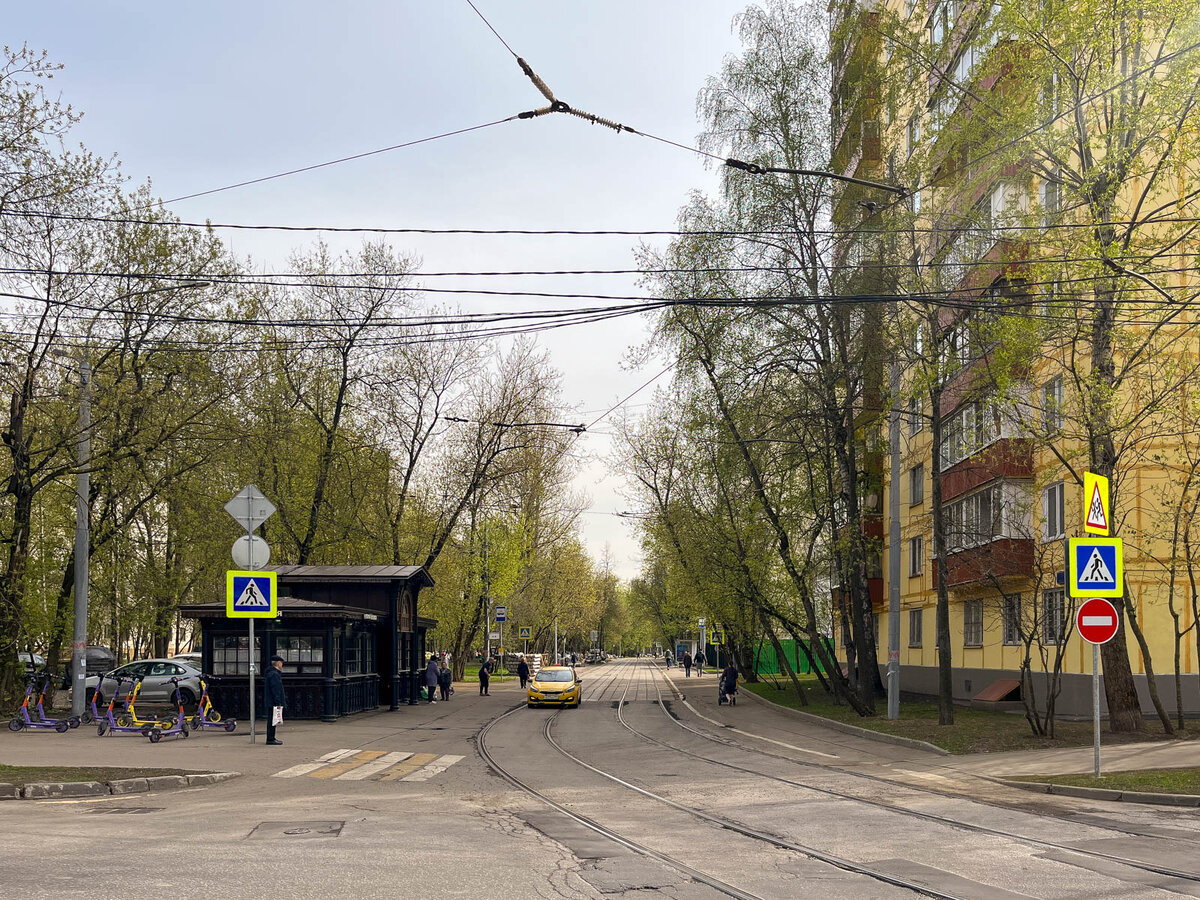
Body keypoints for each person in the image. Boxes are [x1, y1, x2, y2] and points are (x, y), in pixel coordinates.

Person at [265, 655, 285, 745]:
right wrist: (278, 703)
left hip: (270, 700)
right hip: (273, 701)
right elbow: (276, 690)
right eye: (281, 663)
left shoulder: (270, 673)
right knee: (273, 721)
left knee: (272, 720)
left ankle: (271, 737)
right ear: (278, 663)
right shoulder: (275, 674)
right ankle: (270, 738)